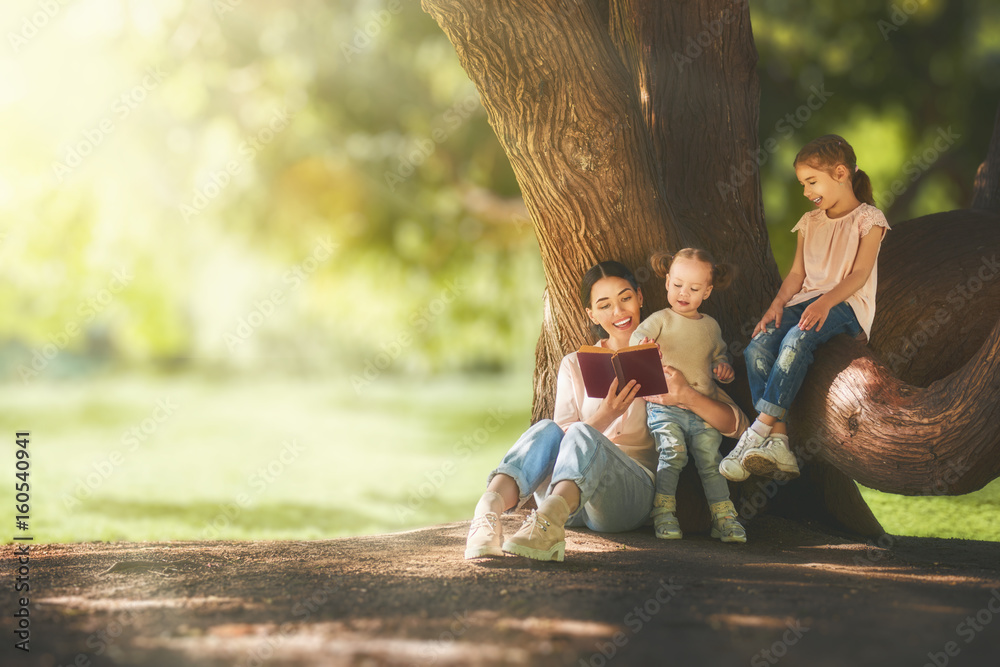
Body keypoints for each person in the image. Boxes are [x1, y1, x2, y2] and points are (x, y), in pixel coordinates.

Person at [465, 261, 748, 562]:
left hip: (623, 497)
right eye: (605, 305)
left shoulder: (672, 360)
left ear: (640, 297)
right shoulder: (574, 364)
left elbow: (739, 425)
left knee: (583, 434)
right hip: (564, 501)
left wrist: (686, 395)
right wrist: (607, 414)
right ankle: (486, 516)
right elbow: (561, 440)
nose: (618, 312)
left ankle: (547, 525)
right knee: (548, 428)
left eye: (625, 298)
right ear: (591, 314)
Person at [720, 134, 890, 482]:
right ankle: (779, 441)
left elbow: (859, 275)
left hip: (845, 305)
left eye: (811, 181)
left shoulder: (869, 219)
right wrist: (776, 306)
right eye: (802, 183)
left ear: (841, 173)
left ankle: (755, 433)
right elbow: (797, 274)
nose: (805, 191)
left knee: (797, 340)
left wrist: (827, 302)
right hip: (805, 302)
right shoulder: (809, 222)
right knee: (757, 347)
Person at [630, 249, 747, 543]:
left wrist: (723, 369)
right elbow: (636, 341)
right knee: (673, 453)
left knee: (711, 461)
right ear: (667, 282)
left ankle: (725, 518)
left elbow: (720, 357)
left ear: (707, 291)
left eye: (694, 289)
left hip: (702, 407)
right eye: (678, 284)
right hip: (665, 407)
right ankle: (663, 513)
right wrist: (644, 347)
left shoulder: (710, 327)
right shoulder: (661, 319)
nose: (684, 293)